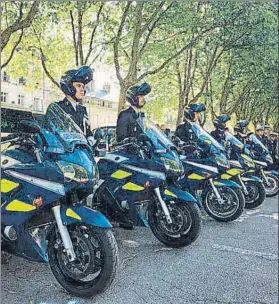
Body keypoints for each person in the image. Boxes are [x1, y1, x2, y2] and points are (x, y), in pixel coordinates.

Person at [57, 66, 94, 145]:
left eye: (83, 87)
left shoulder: (82, 109)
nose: (82, 89)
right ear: (69, 87)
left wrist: (91, 139)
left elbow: (88, 132)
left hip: (82, 152)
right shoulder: (58, 107)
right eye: (78, 86)